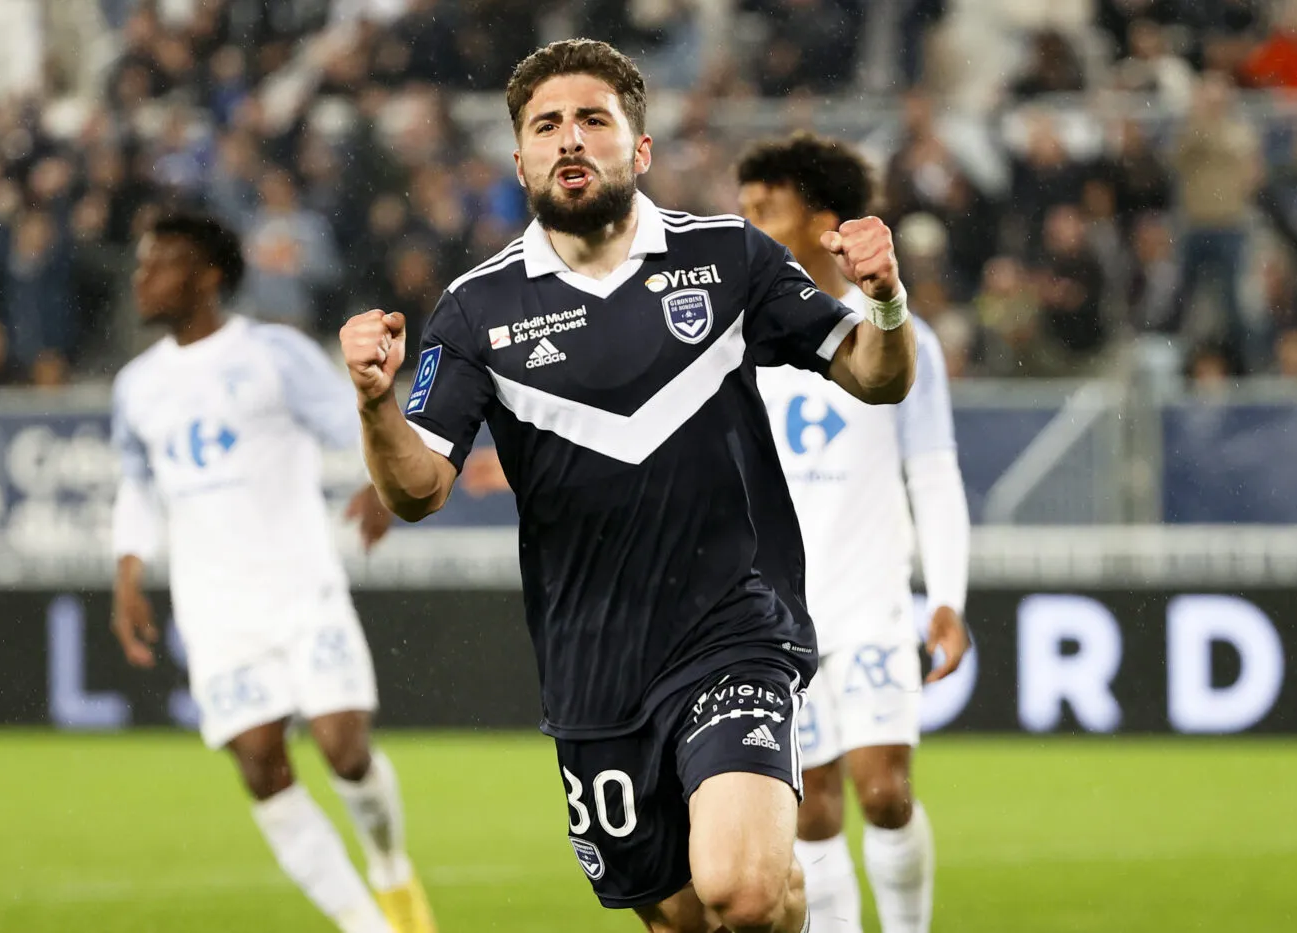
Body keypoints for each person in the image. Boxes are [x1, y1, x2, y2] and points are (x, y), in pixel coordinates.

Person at [341, 39, 917, 932]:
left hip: (734, 629)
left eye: (593, 120)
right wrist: (376, 403)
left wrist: (884, 300)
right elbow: (417, 489)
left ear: (639, 148)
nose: (570, 139)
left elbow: (875, 375)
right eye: (547, 126)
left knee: (741, 891)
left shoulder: (728, 257)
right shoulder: (476, 311)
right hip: (592, 663)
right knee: (682, 918)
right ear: (521, 160)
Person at [109, 211, 435, 933]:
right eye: (142, 263)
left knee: (344, 751)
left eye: (160, 263)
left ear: (206, 276)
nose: (142, 277)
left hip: (300, 588)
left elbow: (356, 419)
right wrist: (127, 575)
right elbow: (137, 485)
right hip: (214, 612)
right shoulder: (136, 385)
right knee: (260, 765)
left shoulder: (273, 353)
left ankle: (390, 867)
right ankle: (371, 927)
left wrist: (381, 481)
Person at [738, 133, 971, 933]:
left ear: (821, 222)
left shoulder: (900, 337)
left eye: (766, 210)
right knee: (812, 812)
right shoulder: (734, 339)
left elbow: (932, 473)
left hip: (871, 601)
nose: (748, 226)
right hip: (776, 615)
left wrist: (947, 597)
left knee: (884, 789)